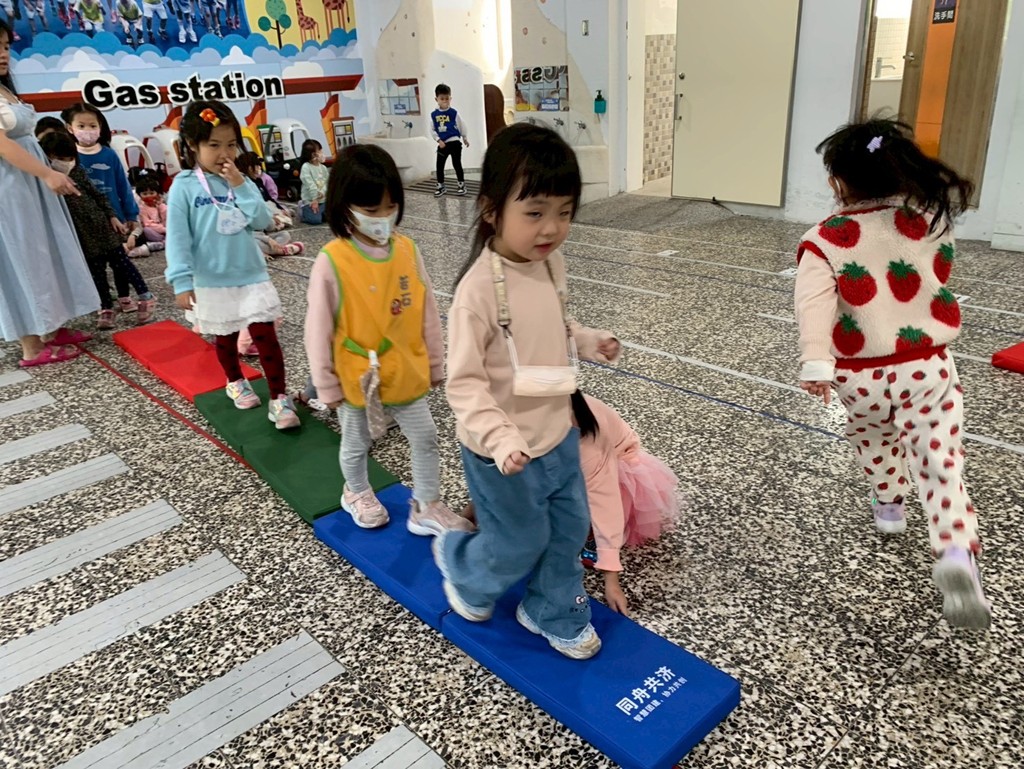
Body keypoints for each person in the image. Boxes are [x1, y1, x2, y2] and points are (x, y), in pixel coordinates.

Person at [795, 117, 990, 629]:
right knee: (939, 460)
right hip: (925, 368)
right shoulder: (928, 220)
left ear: (839, 181)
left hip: (859, 376)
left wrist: (816, 363)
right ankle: (954, 550)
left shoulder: (823, 239)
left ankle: (889, 508)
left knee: (874, 438)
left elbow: (813, 305)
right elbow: (937, 274)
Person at [435, 123, 621, 660]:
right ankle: (463, 567)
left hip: (556, 431)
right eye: (535, 212)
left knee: (568, 530)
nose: (552, 228)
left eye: (564, 212)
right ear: (492, 210)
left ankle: (551, 610)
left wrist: (585, 340)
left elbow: (554, 325)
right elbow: (463, 383)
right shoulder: (477, 293)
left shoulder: (550, 262)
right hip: (501, 452)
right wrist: (499, 437)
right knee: (517, 541)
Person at [304, 143, 471, 536]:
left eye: (389, 207)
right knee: (356, 442)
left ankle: (426, 504)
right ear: (344, 206)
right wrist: (326, 383)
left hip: (405, 368)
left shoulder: (407, 250)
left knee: (426, 436)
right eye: (371, 209)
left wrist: (435, 362)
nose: (382, 218)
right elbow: (317, 329)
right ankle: (356, 491)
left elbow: (427, 309)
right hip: (357, 374)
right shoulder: (332, 260)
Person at [464, 391, 680, 616]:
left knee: (569, 520)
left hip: (615, 461)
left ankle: (590, 538)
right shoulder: (522, 420)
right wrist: (470, 513)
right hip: (561, 452)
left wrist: (611, 579)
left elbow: (606, 503)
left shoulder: (587, 447)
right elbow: (499, 476)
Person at [165, 100, 300, 430]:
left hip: (251, 274)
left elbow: (262, 220)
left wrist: (240, 184)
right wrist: (182, 281)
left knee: (265, 336)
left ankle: (279, 398)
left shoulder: (241, 181)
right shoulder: (184, 186)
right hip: (211, 279)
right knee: (225, 336)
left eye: (230, 145)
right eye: (214, 145)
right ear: (192, 145)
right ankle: (234, 380)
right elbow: (178, 237)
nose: (224, 153)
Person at [0, 19, 98, 367]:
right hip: (11, 188)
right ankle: (31, 345)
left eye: (6, 46)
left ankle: (52, 328)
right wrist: (44, 173)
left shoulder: (5, 89)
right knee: (21, 258)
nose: (3, 54)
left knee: (44, 251)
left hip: (29, 184)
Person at [41, 131, 157, 328]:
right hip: (81, 236)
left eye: (69, 158)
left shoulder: (77, 172)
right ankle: (106, 308)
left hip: (102, 227)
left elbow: (99, 196)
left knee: (123, 265)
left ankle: (146, 296)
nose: (66, 163)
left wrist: (113, 216)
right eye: (60, 158)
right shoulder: (46, 182)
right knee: (97, 273)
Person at [62, 103, 140, 244]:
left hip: (115, 217)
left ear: (100, 127)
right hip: (84, 221)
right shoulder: (69, 157)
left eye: (93, 126)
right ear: (70, 128)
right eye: (81, 126)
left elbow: (123, 186)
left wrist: (131, 215)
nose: (87, 130)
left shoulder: (109, 154)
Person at [430, 83, 468, 197]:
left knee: (457, 163)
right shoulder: (434, 115)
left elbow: (461, 125)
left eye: (447, 98)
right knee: (439, 165)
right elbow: (432, 130)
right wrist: (438, 140)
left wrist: (464, 137)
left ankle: (461, 184)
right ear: (436, 99)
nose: (445, 101)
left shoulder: (453, 113)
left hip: (455, 142)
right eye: (442, 99)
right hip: (443, 144)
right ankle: (441, 185)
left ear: (450, 98)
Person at [128, 171, 167, 257]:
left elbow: (166, 218)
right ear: (140, 195)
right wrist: (164, 229)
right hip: (155, 232)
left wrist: (161, 206)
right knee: (147, 230)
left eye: (152, 193)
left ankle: (159, 244)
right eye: (145, 194)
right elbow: (147, 224)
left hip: (165, 230)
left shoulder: (160, 205)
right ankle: (162, 243)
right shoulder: (142, 208)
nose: (149, 196)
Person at [298, 138, 328, 225]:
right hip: (310, 201)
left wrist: (322, 192)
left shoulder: (323, 168)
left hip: (323, 201)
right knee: (315, 220)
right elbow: (310, 185)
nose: (322, 153)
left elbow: (327, 183)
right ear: (313, 154)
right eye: (320, 151)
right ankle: (302, 210)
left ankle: (321, 213)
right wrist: (314, 200)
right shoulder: (306, 167)